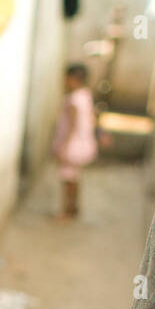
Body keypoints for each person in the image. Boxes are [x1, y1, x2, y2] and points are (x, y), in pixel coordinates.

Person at [48, 63, 97, 219]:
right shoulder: (85, 95)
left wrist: (63, 146)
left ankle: (65, 212)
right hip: (83, 143)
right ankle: (74, 208)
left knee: (67, 178)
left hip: (72, 145)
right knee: (75, 177)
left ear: (73, 79)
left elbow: (72, 125)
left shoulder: (72, 100)